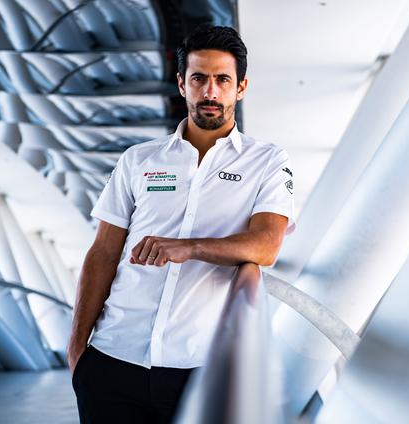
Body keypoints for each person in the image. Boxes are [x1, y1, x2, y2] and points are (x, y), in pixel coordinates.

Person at [67, 25, 295, 423]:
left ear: (241, 88)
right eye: (199, 78)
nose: (210, 91)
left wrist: (189, 247)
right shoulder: (139, 159)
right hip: (113, 358)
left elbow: (266, 246)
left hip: (198, 368)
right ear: (181, 84)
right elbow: (103, 252)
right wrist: (77, 351)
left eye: (222, 80)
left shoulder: (267, 162)